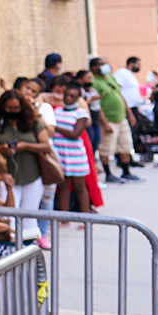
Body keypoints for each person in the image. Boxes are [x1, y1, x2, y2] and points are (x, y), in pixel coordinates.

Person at [0, 89, 52, 240]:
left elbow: (46, 146)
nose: (13, 111)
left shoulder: (33, 122)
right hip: (6, 177)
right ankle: (12, 250)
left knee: (29, 215)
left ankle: (30, 248)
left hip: (32, 175)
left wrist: (26, 146)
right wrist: (1, 149)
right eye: (9, 108)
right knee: (10, 216)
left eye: (16, 108)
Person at [48, 76, 97, 216]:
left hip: (75, 156)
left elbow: (75, 133)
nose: (68, 98)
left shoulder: (81, 113)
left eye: (72, 96)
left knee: (80, 187)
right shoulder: (57, 111)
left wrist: (55, 127)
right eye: (67, 95)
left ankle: (85, 216)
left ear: (78, 99)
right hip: (60, 154)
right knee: (63, 187)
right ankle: (64, 217)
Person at [90, 58, 138, 182]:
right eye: (101, 64)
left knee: (125, 146)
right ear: (94, 67)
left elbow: (120, 95)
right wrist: (104, 122)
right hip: (108, 119)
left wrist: (130, 114)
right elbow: (96, 104)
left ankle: (126, 172)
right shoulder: (94, 82)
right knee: (106, 148)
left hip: (121, 118)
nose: (105, 66)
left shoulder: (110, 78)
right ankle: (108, 173)